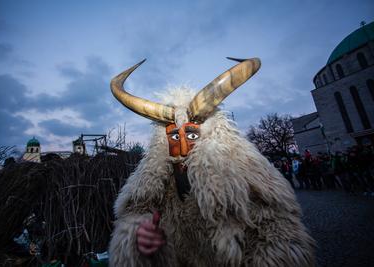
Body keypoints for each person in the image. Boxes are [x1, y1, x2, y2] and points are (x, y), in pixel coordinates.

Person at [108, 58, 315, 266]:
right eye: (174, 137)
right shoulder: (153, 185)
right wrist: (139, 234)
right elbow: (136, 213)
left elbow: (276, 232)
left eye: (190, 136)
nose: (182, 147)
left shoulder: (239, 179)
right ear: (161, 141)